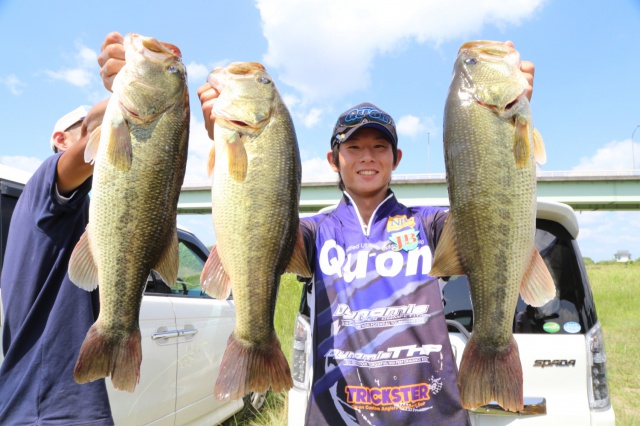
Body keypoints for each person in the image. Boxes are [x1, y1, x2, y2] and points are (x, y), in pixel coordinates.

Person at [98, 32, 534, 425]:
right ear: (333, 160)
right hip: (337, 415)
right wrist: (223, 138)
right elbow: (260, 223)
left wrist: (500, 123)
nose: (367, 157)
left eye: (380, 147)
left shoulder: (430, 224)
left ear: (396, 160)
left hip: (431, 415)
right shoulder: (315, 232)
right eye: (354, 147)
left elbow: (490, 208)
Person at [0, 101, 113, 425]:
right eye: (86, 126)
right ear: (62, 140)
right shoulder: (45, 183)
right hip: (51, 411)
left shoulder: (77, 209)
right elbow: (105, 141)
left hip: (48, 406)